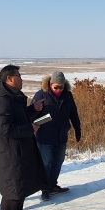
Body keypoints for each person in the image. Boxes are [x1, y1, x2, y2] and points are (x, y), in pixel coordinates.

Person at [0, 65, 47, 210]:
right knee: (12, 190)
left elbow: (18, 118)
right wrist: (29, 129)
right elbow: (4, 128)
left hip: (20, 151)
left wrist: (32, 110)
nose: (21, 78)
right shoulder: (3, 101)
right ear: (9, 79)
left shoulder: (13, 98)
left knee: (20, 187)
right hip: (10, 154)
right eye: (19, 76)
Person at [32, 71, 82, 200]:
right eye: (56, 87)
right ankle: (44, 189)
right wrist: (32, 127)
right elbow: (32, 114)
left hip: (61, 135)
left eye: (61, 87)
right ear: (50, 84)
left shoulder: (68, 96)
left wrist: (77, 127)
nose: (59, 90)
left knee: (58, 162)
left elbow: (73, 112)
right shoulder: (41, 95)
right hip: (45, 136)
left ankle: (52, 186)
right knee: (46, 163)